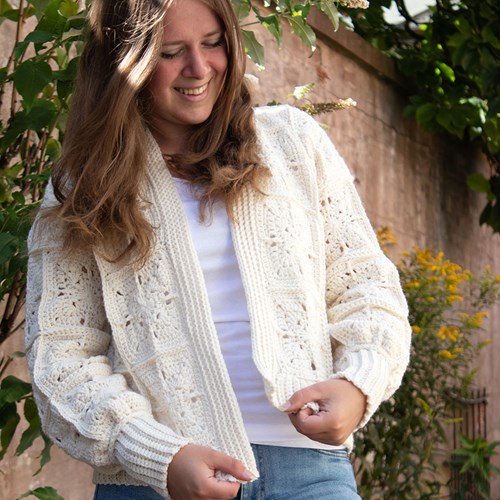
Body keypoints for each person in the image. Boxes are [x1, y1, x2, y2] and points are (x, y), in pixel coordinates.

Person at [24, 0, 411, 498]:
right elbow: (61, 354)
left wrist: (358, 384)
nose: (199, 68)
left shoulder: (294, 143)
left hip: (309, 475)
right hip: (156, 484)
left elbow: (366, 288)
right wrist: (158, 456)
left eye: (212, 43)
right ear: (126, 61)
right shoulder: (85, 186)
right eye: (170, 52)